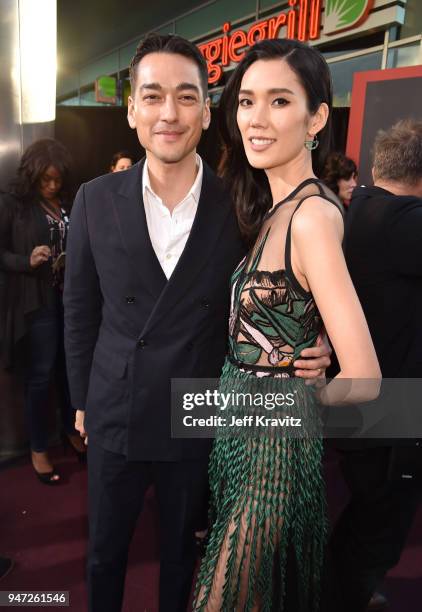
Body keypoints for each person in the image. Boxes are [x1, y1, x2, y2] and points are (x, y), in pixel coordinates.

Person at [63, 34, 332, 612]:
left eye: (186, 97)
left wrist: (318, 338)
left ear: (207, 112)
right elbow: (79, 309)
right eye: (153, 96)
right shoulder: (94, 198)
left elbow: (284, 285)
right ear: (131, 108)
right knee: (104, 555)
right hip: (116, 406)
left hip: (202, 407)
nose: (169, 113)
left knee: (184, 556)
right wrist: (82, 397)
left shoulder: (241, 201)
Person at [193, 39, 380, 612]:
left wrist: (308, 394)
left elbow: (367, 377)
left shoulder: (313, 216)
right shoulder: (275, 207)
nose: (256, 119)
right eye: (247, 102)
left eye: (279, 102)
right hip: (241, 438)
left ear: (316, 117)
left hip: (272, 455)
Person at [325, 119, 422, 612]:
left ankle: (344, 589)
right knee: (381, 524)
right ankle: (346, 595)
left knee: (365, 514)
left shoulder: (358, 206)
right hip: (391, 411)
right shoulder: (405, 221)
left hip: (363, 402)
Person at [0, 139, 85, 485]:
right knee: (41, 376)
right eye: (45, 180)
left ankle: (70, 429)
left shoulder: (69, 202)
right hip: (37, 302)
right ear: (33, 175)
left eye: (57, 179)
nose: (52, 185)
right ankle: (38, 448)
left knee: (71, 371)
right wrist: (26, 260)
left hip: (72, 301)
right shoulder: (15, 206)